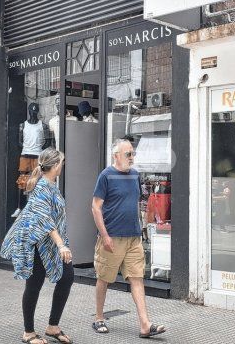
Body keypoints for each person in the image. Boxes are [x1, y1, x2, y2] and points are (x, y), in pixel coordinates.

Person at [91, 139, 166, 338]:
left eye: (133, 153)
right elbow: (96, 207)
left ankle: (144, 324)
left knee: (137, 278)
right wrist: (104, 235)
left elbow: (136, 203)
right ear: (116, 156)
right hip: (112, 237)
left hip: (133, 238)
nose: (132, 158)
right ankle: (99, 318)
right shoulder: (106, 176)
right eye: (128, 154)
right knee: (104, 279)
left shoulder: (135, 175)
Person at [1, 148, 74, 344]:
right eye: (62, 162)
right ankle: (28, 332)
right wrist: (61, 245)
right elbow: (45, 219)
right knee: (34, 284)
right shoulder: (42, 187)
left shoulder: (52, 185)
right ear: (56, 165)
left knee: (67, 277)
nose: (63, 165)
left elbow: (56, 218)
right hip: (35, 242)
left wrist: (62, 243)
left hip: (50, 242)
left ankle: (52, 326)